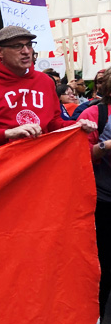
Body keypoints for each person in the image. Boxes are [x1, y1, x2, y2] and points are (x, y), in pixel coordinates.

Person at [0, 26, 96, 153]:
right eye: (18, 46)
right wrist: (7, 133)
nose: (26, 51)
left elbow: (53, 123)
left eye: (29, 45)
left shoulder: (45, 81)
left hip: (39, 165)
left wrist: (76, 125)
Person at [78, 69, 111, 319]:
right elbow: (80, 154)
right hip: (104, 200)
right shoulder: (94, 113)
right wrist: (107, 146)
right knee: (104, 267)